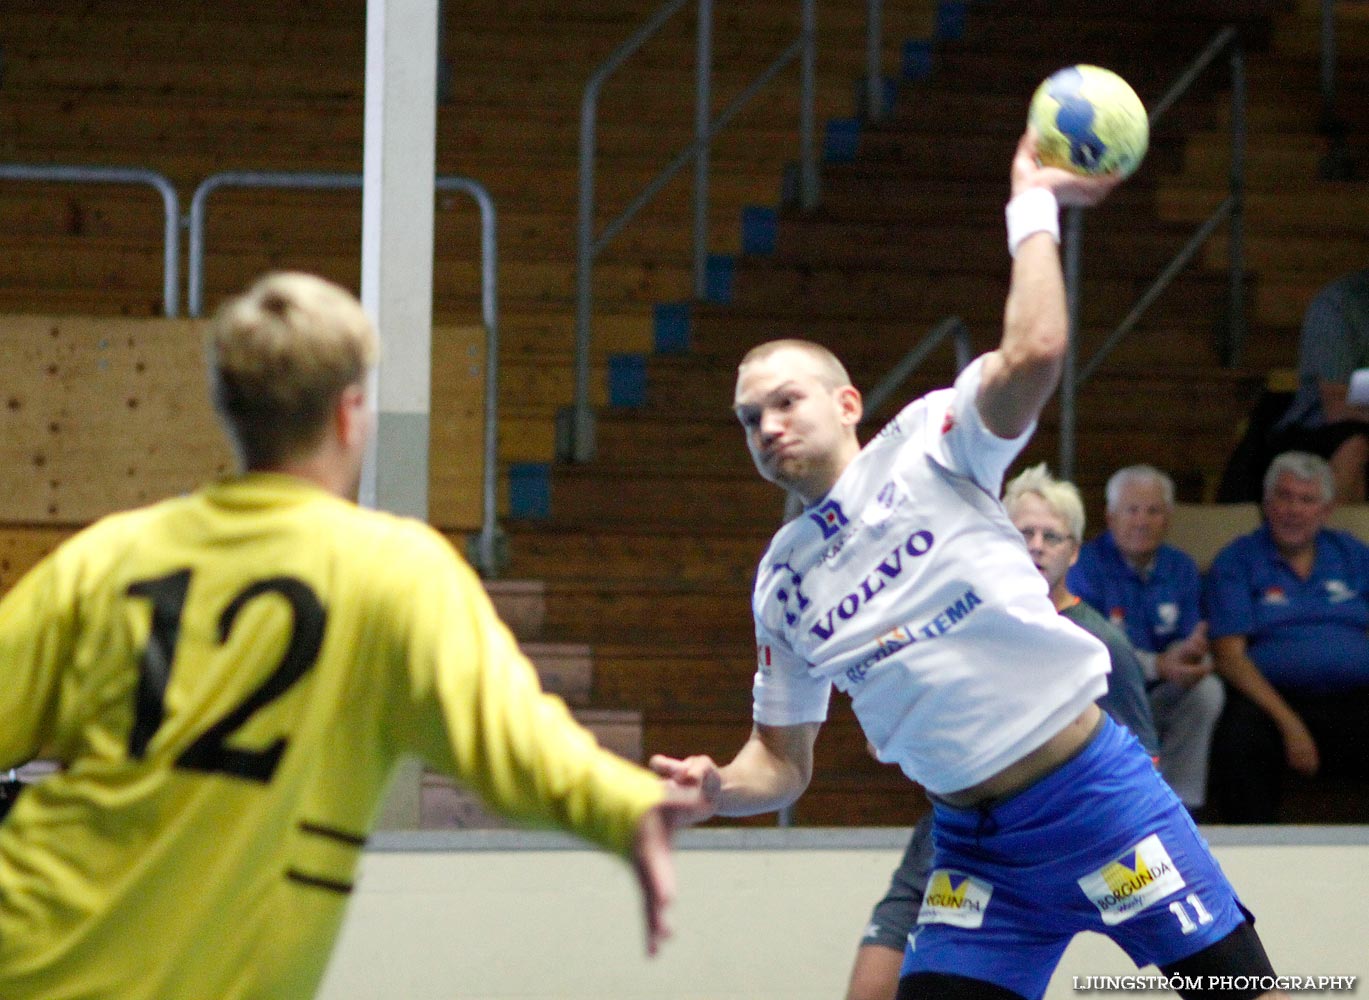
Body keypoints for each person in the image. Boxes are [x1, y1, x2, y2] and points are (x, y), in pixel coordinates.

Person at [651, 131, 1284, 1000]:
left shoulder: (931, 444)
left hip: (1097, 804)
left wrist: (1032, 208)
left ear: (846, 404)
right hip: (975, 853)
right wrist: (717, 787)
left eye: (785, 401)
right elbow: (781, 761)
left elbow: (1034, 357)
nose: (766, 427)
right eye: (747, 418)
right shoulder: (782, 584)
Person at [0, 272, 695, 1000]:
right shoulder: (391, 570)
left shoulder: (108, 557)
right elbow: (514, 745)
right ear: (349, 413)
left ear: (228, 411)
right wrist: (624, 805)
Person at [846, 463, 1159, 1000]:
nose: (1036, 546)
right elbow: (895, 734)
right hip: (949, 836)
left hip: (1049, 850)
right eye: (1023, 534)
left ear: (1074, 551)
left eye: (1051, 536)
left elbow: (1145, 769)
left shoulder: (1099, 641)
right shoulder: (958, 622)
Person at [1205, 450, 1369, 823]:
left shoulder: (1353, 555)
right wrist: (1290, 723)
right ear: (1266, 504)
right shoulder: (1238, 560)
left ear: (1326, 510)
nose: (1293, 509)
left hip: (1355, 697)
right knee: (1239, 740)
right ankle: (1252, 857)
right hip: (1269, 701)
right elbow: (1229, 655)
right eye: (1284, 496)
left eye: (1307, 500)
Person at [1068, 464, 1224, 816]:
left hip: (1160, 691)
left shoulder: (1180, 566)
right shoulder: (1085, 565)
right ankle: (1122, 808)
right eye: (1132, 510)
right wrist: (1160, 664)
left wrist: (1188, 654)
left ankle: (1183, 807)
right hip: (1108, 696)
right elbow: (1091, 649)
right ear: (1110, 517)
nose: (1142, 521)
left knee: (1207, 690)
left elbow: (1187, 637)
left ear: (1168, 518)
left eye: (1153, 511)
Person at [1268, 268, 1369, 502]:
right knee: (1353, 444)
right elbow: (1336, 403)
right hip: (1319, 428)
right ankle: (1339, 535)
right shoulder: (1340, 303)